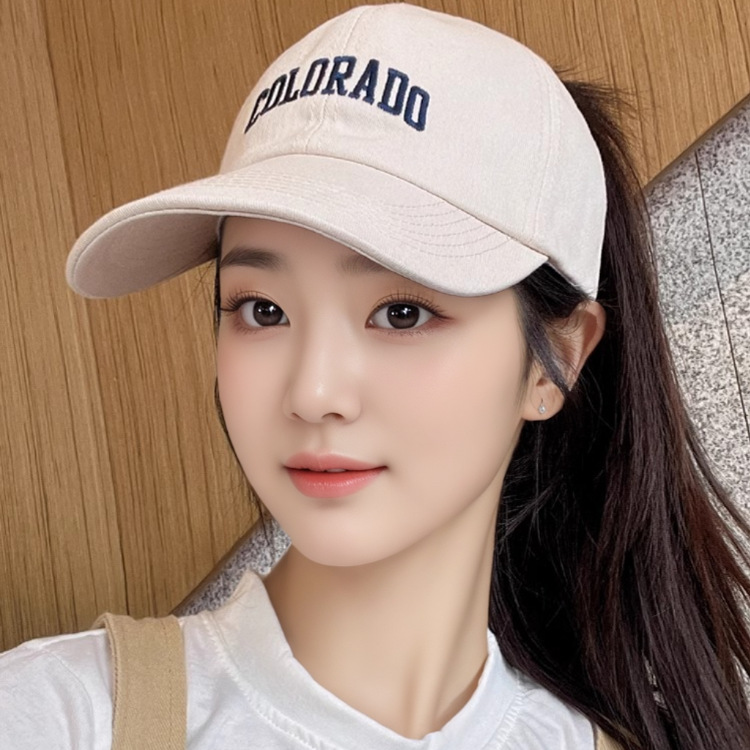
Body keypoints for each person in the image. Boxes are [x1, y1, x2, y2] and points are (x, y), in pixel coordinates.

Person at [2, 3, 749, 749]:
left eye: (401, 314)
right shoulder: (54, 716)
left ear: (556, 360)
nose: (313, 393)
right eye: (263, 310)